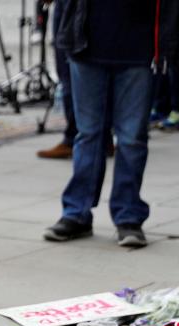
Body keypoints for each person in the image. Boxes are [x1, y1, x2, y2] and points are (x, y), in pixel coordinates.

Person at [44, 0, 177, 248]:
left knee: (132, 138)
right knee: (88, 134)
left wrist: (167, 46)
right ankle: (76, 212)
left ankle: (128, 216)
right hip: (86, 42)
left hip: (140, 48)